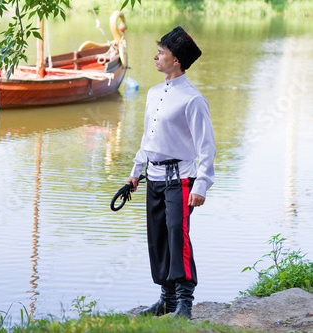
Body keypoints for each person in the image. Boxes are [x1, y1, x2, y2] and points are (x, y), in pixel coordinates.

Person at [127, 26, 216, 319]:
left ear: (176, 60)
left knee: (179, 236)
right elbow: (148, 138)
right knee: (158, 238)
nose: (155, 57)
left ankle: (184, 305)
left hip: (182, 179)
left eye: (161, 53)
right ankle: (165, 300)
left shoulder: (193, 100)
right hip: (153, 177)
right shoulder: (153, 94)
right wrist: (136, 171)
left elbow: (206, 147)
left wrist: (202, 184)